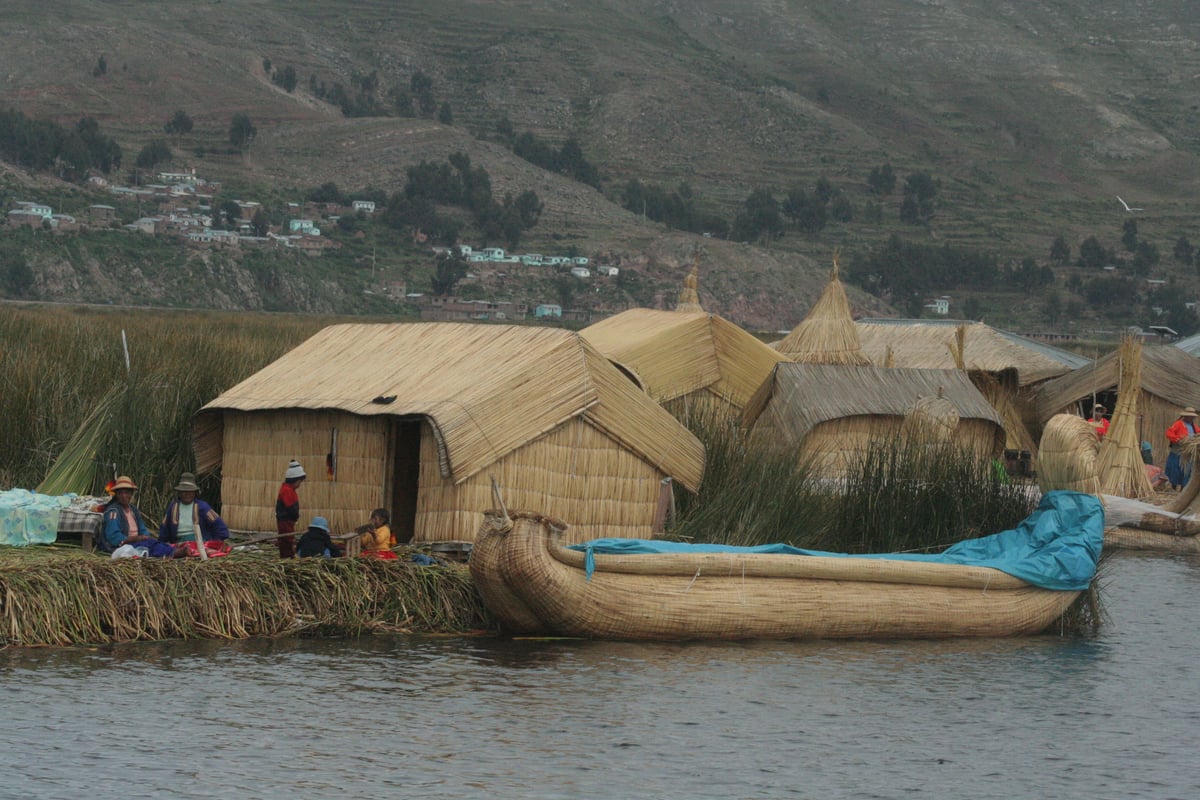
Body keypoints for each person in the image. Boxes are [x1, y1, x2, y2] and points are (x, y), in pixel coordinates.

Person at [158, 472, 230, 556]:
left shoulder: (203, 507)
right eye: (184, 491)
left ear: (195, 492)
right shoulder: (173, 507)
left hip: (199, 542)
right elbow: (164, 529)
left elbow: (221, 528)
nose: (187, 494)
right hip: (179, 543)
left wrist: (211, 541)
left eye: (190, 491)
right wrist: (162, 545)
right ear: (179, 493)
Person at [100, 475, 172, 556]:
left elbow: (142, 529)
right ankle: (175, 553)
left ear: (131, 494)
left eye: (127, 492)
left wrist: (144, 537)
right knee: (153, 548)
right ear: (117, 495)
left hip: (137, 543)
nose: (124, 496)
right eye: (120, 493)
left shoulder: (133, 509)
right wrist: (134, 539)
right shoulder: (113, 511)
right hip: (123, 546)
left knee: (157, 543)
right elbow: (113, 537)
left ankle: (173, 550)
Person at [275, 460, 305, 559]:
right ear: (295, 480)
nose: (300, 484)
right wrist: (295, 515)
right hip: (285, 521)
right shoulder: (287, 490)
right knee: (286, 541)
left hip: (288, 521)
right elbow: (290, 507)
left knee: (288, 540)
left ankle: (288, 557)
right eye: (300, 482)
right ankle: (287, 559)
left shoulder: (289, 489)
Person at [1165, 407, 1199, 490]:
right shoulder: (1178, 424)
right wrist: (1178, 440)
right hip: (1177, 451)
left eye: (1192, 417)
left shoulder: (1194, 427)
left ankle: (1184, 488)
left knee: (1187, 471)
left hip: (1187, 454)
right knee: (1175, 469)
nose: (1191, 418)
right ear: (1185, 416)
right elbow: (1169, 433)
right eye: (1190, 416)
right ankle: (1174, 486)